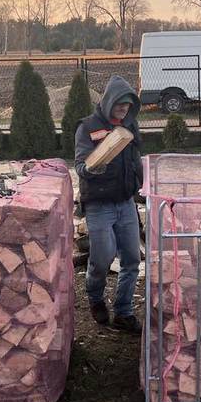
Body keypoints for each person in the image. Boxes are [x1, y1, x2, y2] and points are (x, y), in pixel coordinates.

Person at [74, 75, 144, 333]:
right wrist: (95, 166)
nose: (123, 110)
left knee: (131, 260)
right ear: (108, 102)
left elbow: (136, 156)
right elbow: (80, 165)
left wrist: (139, 180)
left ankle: (124, 311)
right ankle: (95, 298)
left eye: (127, 106)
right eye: (119, 105)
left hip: (126, 203)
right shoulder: (87, 127)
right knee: (102, 258)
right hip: (99, 205)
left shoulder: (130, 125)